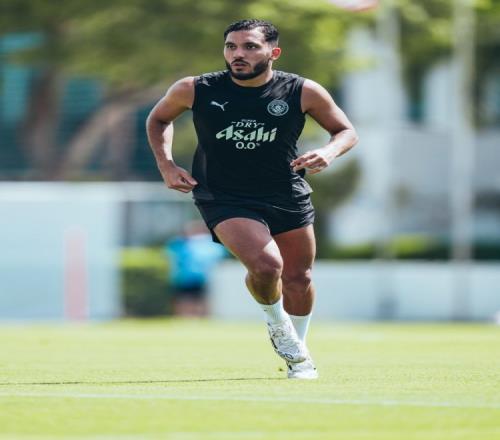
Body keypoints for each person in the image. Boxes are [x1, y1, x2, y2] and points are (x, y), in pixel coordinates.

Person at [146, 19, 358, 379]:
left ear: (273, 52)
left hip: (285, 191)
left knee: (299, 278)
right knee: (267, 267)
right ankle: (279, 328)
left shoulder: (302, 91)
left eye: (250, 47)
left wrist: (329, 152)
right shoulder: (194, 88)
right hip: (223, 195)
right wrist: (166, 165)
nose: (238, 54)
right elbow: (158, 120)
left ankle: (297, 354)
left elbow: (346, 131)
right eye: (231, 46)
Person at [166, 221, 226, 317]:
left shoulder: (205, 243)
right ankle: (185, 317)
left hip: (199, 277)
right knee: (184, 299)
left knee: (199, 299)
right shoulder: (182, 243)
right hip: (184, 277)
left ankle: (198, 317)